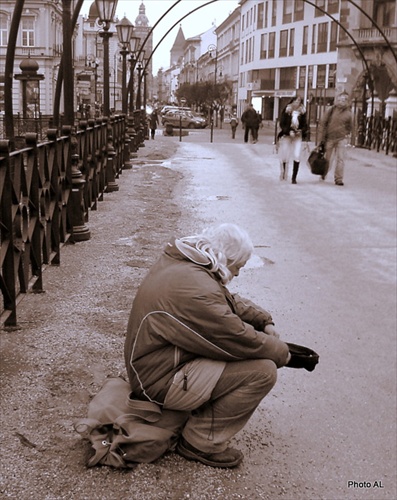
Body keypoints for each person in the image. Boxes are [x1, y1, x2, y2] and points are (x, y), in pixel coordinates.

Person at [124, 223, 291, 469]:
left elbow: (225, 301)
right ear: (228, 259)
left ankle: (195, 416)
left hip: (156, 363)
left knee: (247, 357)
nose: (238, 274)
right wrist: (282, 352)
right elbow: (236, 338)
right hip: (156, 381)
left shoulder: (187, 265)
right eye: (238, 267)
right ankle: (199, 441)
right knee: (262, 371)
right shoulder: (196, 289)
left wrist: (262, 319)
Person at [318, 92, 352, 186]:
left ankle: (338, 179)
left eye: (344, 100)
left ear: (346, 101)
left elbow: (351, 126)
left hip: (341, 139)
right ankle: (323, 173)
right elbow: (323, 123)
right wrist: (321, 138)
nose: (341, 101)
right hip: (329, 138)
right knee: (328, 159)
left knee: (340, 159)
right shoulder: (331, 110)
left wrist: (347, 134)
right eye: (340, 99)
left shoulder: (349, 113)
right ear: (337, 100)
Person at [277, 96, 309, 184]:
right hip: (287, 135)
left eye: (299, 101)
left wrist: (301, 131)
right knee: (285, 154)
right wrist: (288, 131)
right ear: (292, 101)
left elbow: (305, 125)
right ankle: (283, 172)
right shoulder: (287, 110)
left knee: (297, 155)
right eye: (295, 101)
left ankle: (294, 178)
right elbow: (282, 124)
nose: (297, 103)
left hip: (297, 136)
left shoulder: (303, 112)